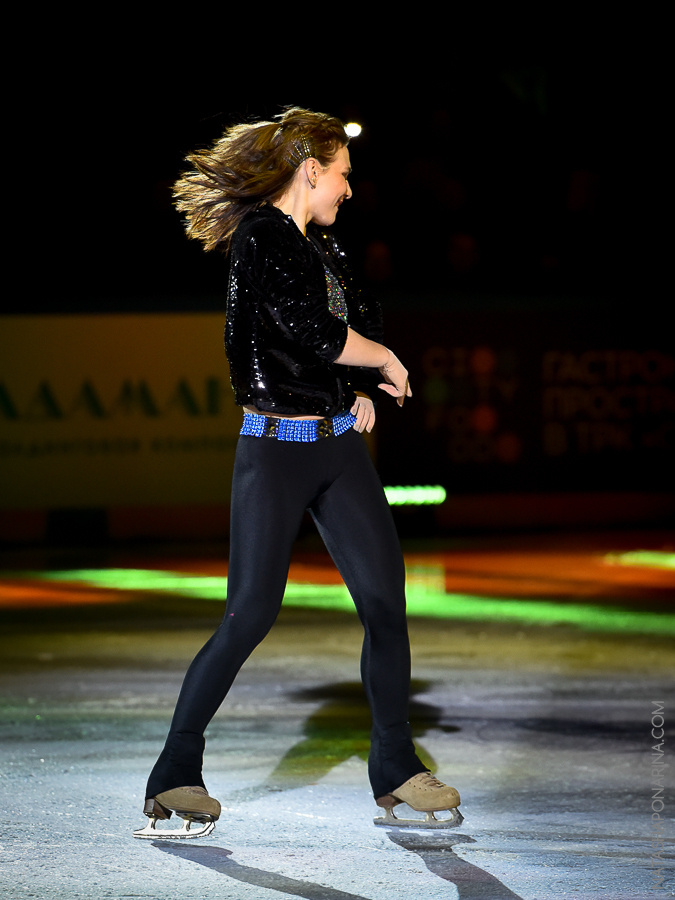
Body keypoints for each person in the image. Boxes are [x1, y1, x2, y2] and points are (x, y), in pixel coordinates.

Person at [134, 107, 461, 838]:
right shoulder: (260, 240)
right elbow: (302, 329)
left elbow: (348, 322)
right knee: (250, 615)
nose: (348, 189)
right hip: (274, 450)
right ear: (310, 169)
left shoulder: (324, 247)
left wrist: (356, 390)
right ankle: (174, 773)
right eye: (342, 175)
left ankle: (395, 769)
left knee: (384, 601)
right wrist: (379, 360)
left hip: (337, 448)